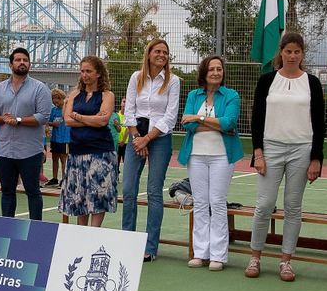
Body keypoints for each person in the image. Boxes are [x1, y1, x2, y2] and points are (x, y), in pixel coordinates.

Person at [245, 33, 325, 281]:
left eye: (297, 52)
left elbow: (319, 122)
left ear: (302, 54)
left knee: (293, 206)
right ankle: (255, 257)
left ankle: (286, 261)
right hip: (271, 148)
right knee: (265, 204)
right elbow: (257, 119)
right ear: (281, 52)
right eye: (288, 51)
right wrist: (258, 153)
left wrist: (316, 158)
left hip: (302, 150)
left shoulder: (312, 83)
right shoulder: (267, 80)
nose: (292, 56)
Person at [179, 55, 242, 271]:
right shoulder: (193, 95)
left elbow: (229, 122)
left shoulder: (231, 95)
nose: (216, 72)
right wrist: (217, 125)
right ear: (204, 72)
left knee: (217, 202)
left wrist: (199, 119)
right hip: (196, 155)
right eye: (211, 69)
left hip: (222, 156)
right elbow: (186, 124)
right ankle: (200, 253)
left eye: (219, 69)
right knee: (200, 203)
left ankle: (218, 255)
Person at [122, 39, 181, 261]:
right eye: (157, 51)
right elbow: (129, 110)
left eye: (165, 52)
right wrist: (137, 138)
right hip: (136, 137)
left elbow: (170, 116)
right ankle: (127, 242)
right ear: (148, 54)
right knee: (128, 190)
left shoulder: (173, 81)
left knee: (154, 192)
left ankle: (150, 247)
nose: (162, 55)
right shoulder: (135, 77)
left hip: (160, 139)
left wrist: (147, 139)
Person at [0, 47, 53, 220]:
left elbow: (43, 117)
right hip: (5, 150)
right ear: (11, 65)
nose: (22, 62)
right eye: (18, 60)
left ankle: (36, 229)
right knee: (7, 192)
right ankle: (7, 228)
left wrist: (19, 120)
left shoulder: (40, 88)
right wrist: (2, 119)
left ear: (29, 64)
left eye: (25, 60)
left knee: (33, 192)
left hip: (30, 151)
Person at [59, 56, 117, 227]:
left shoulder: (107, 95)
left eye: (89, 71)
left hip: (101, 152)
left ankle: (94, 232)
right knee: (79, 196)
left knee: (98, 195)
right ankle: (81, 233)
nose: (85, 75)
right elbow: (67, 120)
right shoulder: (74, 94)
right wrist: (91, 119)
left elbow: (103, 121)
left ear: (98, 73)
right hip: (76, 152)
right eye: (82, 71)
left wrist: (78, 116)